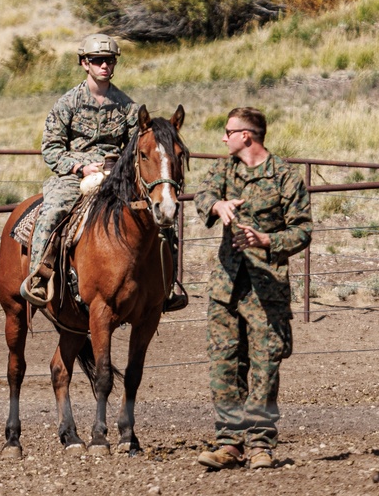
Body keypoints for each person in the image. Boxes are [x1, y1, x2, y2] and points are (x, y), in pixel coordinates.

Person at [20, 33, 187, 311]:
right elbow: (50, 149)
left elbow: (139, 146)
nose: (104, 66)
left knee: (161, 220)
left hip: (115, 178)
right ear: (85, 63)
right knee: (53, 211)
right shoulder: (67, 104)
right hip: (74, 178)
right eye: (97, 61)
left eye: (109, 60)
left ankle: (167, 285)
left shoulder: (128, 107)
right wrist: (80, 166)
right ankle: (39, 276)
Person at [193, 106, 311, 470]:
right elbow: (202, 194)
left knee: (264, 368)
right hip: (226, 286)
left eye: (227, 131)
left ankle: (260, 444)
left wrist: (266, 240)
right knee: (224, 366)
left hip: (266, 288)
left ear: (247, 136)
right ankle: (229, 444)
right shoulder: (224, 169)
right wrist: (217, 205)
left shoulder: (285, 177)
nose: (223, 138)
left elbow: (303, 230)